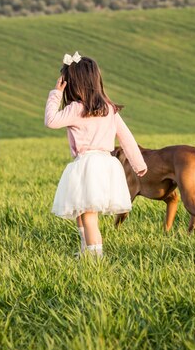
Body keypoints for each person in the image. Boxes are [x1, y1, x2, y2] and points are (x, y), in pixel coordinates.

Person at [44, 52, 147, 258]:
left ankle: (95, 259)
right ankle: (86, 251)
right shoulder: (109, 109)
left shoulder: (76, 108)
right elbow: (127, 138)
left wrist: (56, 93)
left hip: (88, 165)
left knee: (89, 216)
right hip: (106, 164)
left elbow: (50, 120)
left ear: (72, 84)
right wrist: (139, 164)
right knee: (82, 213)